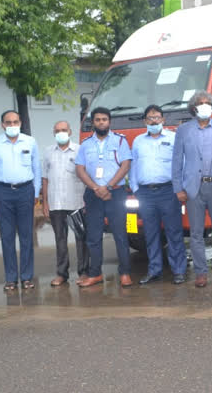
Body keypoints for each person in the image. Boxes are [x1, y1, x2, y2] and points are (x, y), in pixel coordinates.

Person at [172, 91, 212, 287]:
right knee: (196, 233)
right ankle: (201, 273)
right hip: (193, 188)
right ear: (194, 108)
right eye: (200, 103)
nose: (204, 106)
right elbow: (176, 162)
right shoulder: (183, 130)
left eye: (208, 103)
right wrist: (178, 188)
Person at [75, 107, 133, 288]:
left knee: (120, 235)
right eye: (98, 120)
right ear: (93, 123)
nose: (101, 122)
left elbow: (125, 166)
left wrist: (108, 187)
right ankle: (95, 274)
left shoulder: (120, 141)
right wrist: (95, 188)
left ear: (109, 122)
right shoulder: (85, 144)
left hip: (115, 193)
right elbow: (80, 169)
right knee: (93, 236)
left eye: (104, 119)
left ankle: (125, 273)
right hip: (93, 194)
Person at [0, 110, 41, 291]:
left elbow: (37, 169)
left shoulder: (30, 142)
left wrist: (36, 193)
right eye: (8, 123)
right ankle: (10, 278)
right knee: (7, 237)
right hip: (3, 192)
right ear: (2, 125)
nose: (12, 126)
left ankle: (26, 277)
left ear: (20, 123)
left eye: (15, 122)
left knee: (26, 236)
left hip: (25, 191)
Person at [130, 105, 187, 285]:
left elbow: (182, 164)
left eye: (157, 117)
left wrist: (180, 188)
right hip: (145, 193)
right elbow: (133, 166)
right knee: (150, 233)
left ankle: (179, 271)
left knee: (174, 232)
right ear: (145, 121)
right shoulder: (138, 141)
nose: (154, 121)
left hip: (168, 191)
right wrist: (135, 189)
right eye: (150, 118)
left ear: (163, 119)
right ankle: (154, 270)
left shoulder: (174, 138)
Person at [42, 120, 89, 287]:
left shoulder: (80, 150)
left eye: (64, 130)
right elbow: (45, 178)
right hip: (56, 203)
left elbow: (86, 175)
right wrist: (45, 202)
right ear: (54, 133)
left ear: (70, 132)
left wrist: (86, 202)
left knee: (81, 239)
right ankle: (62, 273)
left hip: (76, 202)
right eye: (57, 130)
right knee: (60, 240)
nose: (61, 133)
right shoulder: (48, 152)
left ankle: (84, 272)